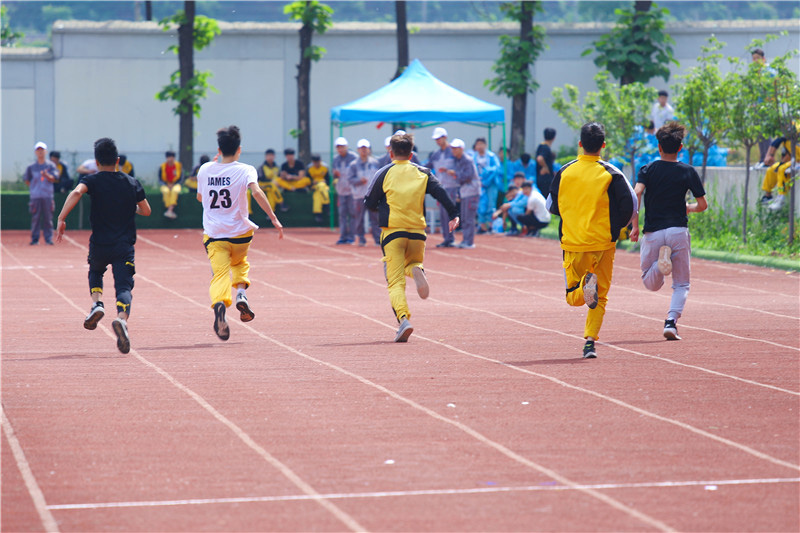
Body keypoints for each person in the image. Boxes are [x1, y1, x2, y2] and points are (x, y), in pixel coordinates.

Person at [547, 122, 637, 359]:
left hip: (573, 243)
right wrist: (616, 228)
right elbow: (631, 205)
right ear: (603, 146)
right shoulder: (612, 173)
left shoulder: (565, 171)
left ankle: (584, 289)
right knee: (602, 296)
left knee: (572, 297)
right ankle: (589, 343)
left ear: (580, 145)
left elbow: (551, 206)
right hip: (603, 243)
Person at [55, 137, 152, 354]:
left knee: (96, 271)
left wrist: (62, 218)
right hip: (123, 246)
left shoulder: (92, 181)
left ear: (97, 162)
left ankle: (97, 304)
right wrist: (131, 208)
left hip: (99, 244)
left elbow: (76, 192)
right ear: (117, 160)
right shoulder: (131, 182)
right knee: (124, 287)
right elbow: (146, 210)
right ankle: (121, 319)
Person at [364, 132, 460, 342]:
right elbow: (441, 192)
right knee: (414, 261)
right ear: (411, 153)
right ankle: (416, 269)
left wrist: (383, 204)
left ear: (390, 151)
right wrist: (454, 215)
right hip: (418, 232)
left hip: (392, 232)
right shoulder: (423, 172)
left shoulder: (384, 172)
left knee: (395, 282)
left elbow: (368, 203)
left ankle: (404, 319)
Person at [196, 125, 284, 341]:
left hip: (215, 234)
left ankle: (219, 304)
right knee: (240, 263)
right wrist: (273, 218)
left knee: (219, 274)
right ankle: (241, 294)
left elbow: (200, 198)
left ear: (219, 149)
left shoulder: (205, 169)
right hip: (241, 233)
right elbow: (257, 192)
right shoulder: (246, 169)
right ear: (239, 149)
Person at [631, 122, 707, 340]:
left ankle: (659, 265)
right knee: (681, 284)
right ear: (681, 147)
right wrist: (689, 208)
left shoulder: (647, 169)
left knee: (650, 281)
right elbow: (703, 205)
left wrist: (634, 225)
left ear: (659, 147)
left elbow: (636, 193)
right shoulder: (688, 171)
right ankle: (671, 322)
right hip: (678, 231)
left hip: (653, 232)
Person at [429, 127, 458, 248]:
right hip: (440, 187)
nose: (437, 141)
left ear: (445, 137)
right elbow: (427, 165)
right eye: (436, 139)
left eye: (439, 138)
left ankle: (450, 238)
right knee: (442, 214)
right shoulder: (435, 154)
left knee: (448, 213)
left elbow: (461, 167)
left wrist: (452, 172)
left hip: (451, 187)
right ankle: (447, 238)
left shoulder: (454, 151)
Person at [24, 142, 59, 245]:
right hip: (35, 196)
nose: (40, 152)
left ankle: (48, 238)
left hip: (47, 195)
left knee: (48, 218)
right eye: (38, 150)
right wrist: (34, 188)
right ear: (35, 152)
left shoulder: (51, 165)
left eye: (42, 150)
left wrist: (46, 175)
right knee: (36, 218)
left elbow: (54, 178)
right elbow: (27, 180)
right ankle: (35, 239)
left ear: (45, 151)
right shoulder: (31, 167)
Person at [347, 139, 379, 246]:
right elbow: (350, 179)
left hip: (372, 196)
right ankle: (361, 238)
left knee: (375, 218)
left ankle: (377, 239)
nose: (364, 151)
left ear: (369, 149)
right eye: (361, 149)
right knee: (359, 218)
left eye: (365, 148)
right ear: (358, 150)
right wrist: (359, 181)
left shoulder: (375, 163)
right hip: (359, 195)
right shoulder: (353, 165)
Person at [450, 138, 480, 249]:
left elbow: (468, 176)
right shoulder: (458, 160)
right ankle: (465, 239)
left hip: (471, 191)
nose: (453, 150)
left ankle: (469, 241)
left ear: (461, 149)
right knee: (464, 217)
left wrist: (455, 174)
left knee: (469, 217)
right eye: (452, 148)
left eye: (455, 148)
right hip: (464, 191)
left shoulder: (467, 160)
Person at [760, 129, 799, 211]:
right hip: (794, 160)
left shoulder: (795, 130)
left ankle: (782, 197)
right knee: (772, 169)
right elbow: (778, 144)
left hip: (798, 161)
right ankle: (768, 195)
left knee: (782, 169)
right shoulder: (787, 140)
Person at [471, 137, 502, 235]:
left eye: (481, 144)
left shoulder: (491, 156)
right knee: (481, 205)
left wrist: (488, 177)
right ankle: (482, 225)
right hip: (479, 184)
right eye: (478, 144)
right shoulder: (474, 157)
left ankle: (491, 225)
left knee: (491, 204)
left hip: (491, 184)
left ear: (485, 145)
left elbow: (497, 168)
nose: (479, 146)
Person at [333, 137, 357, 244]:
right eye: (338, 147)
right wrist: (335, 175)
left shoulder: (354, 158)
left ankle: (351, 236)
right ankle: (342, 236)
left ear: (346, 146)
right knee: (342, 214)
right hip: (341, 191)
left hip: (352, 191)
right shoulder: (335, 159)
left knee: (352, 214)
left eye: (342, 147)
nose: (340, 149)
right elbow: (334, 174)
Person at [158, 150, 182, 219]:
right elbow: (160, 179)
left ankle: (169, 210)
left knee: (175, 191)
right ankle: (170, 211)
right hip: (165, 184)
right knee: (166, 191)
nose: (170, 159)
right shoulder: (162, 166)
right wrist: (166, 184)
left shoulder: (178, 166)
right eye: (169, 157)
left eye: (172, 157)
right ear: (166, 158)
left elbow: (181, 178)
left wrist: (174, 184)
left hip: (176, 184)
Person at [307, 154, 331, 224]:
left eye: (317, 162)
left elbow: (328, 180)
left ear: (320, 161)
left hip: (324, 186)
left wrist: (325, 181)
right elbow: (308, 180)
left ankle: (318, 214)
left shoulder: (325, 167)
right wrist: (312, 182)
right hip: (314, 186)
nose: (316, 163)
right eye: (314, 162)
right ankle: (327, 205)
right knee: (319, 187)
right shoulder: (309, 168)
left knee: (317, 195)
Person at [535, 128, 557, 196]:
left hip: (541, 178)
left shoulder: (541, 146)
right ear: (554, 138)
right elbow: (540, 158)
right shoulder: (545, 148)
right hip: (545, 180)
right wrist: (545, 167)